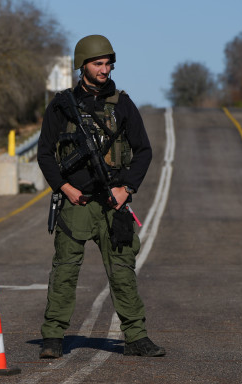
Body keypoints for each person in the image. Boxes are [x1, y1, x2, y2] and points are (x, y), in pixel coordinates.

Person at [37, 34, 165, 359]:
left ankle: (136, 337)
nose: (105, 69)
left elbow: (144, 152)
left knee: (122, 271)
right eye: (98, 64)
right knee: (65, 271)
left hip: (113, 204)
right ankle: (53, 337)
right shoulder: (62, 104)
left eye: (108, 64)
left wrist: (127, 188)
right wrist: (64, 187)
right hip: (76, 204)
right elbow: (45, 154)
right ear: (83, 65)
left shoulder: (122, 103)